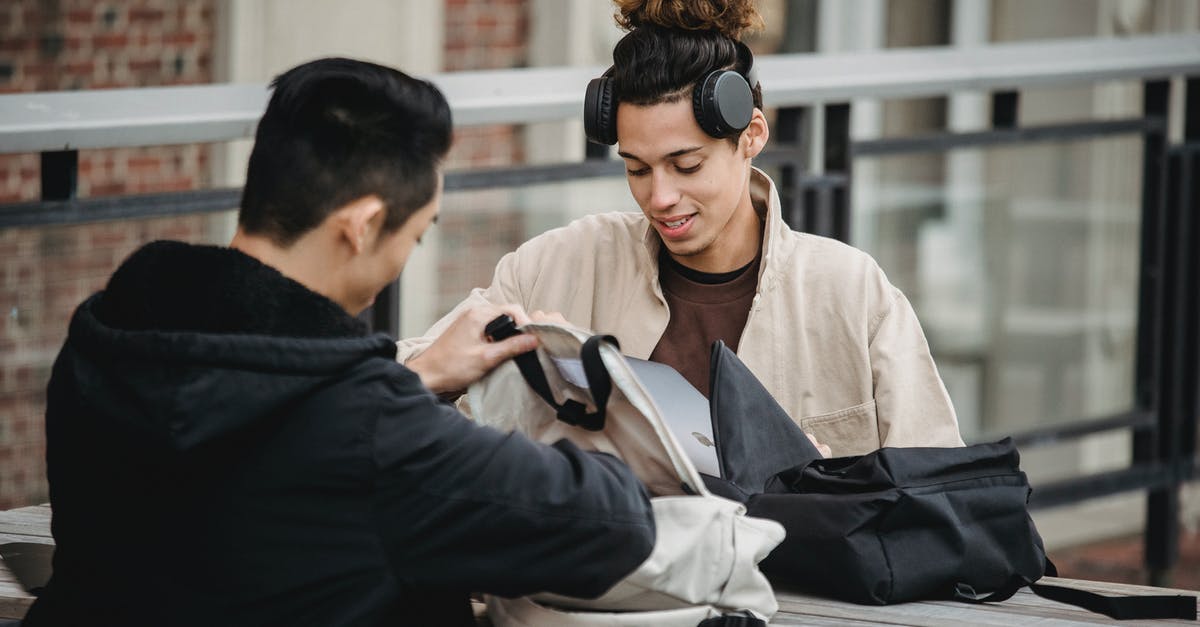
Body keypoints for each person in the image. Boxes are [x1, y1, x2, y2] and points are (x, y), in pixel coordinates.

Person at [24, 58, 655, 627]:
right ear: (363, 226)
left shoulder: (106, 332)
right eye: (417, 235)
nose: (408, 257)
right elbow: (610, 522)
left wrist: (419, 375)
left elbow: (255, 458)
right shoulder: (368, 426)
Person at [397, 0, 964, 457]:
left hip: (810, 598)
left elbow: (939, 494)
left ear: (752, 136)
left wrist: (825, 488)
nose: (660, 198)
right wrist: (433, 375)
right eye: (636, 169)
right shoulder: (555, 266)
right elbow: (395, 394)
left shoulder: (850, 291)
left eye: (687, 166)